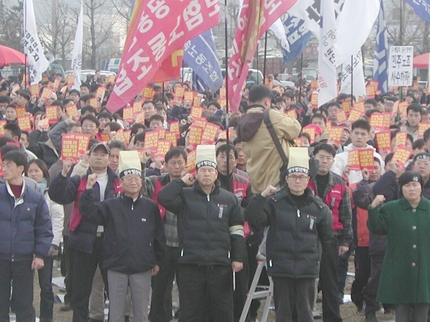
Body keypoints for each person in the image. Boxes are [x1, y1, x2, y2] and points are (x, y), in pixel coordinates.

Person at [158, 145, 247, 322]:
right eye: (202, 170)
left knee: (221, 311)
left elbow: (237, 229)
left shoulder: (229, 199)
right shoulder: (185, 196)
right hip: (191, 264)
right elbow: (163, 197)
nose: (206, 174)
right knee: (191, 311)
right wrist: (182, 181)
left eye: (210, 170)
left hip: (220, 264)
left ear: (216, 174)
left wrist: (238, 257)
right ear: (196, 173)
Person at [245, 147, 333, 322]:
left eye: (301, 177)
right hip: (281, 267)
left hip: (307, 268)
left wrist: (316, 261)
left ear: (308, 179)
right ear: (286, 178)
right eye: (293, 177)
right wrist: (261, 196)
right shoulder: (274, 202)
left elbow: (326, 237)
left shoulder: (319, 207)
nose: (297, 181)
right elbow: (254, 218)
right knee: (283, 313)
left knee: (305, 313)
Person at [80, 151, 165, 322]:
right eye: (129, 179)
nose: (133, 182)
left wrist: (157, 260)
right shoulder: (111, 205)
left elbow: (158, 234)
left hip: (142, 264)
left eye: (136, 178)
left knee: (141, 312)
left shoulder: (150, 207)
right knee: (116, 312)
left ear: (142, 182)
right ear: (120, 182)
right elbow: (89, 213)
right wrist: (88, 190)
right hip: (116, 264)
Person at [49, 142, 122, 322]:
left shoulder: (118, 181)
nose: (99, 157)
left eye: (103, 154)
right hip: (83, 242)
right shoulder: (78, 179)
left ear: (109, 158)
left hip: (110, 242)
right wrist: (64, 174)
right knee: (80, 291)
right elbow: (59, 196)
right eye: (95, 153)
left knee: (114, 290)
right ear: (88, 157)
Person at [368, 171, 430, 322]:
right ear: (401, 188)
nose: (411, 189)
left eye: (415, 185)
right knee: (401, 312)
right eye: (407, 185)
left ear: (421, 187)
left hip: (425, 269)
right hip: (400, 268)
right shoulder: (391, 208)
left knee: (422, 310)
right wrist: (373, 208)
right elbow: (377, 228)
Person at [0, 150, 53, 321]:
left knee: (24, 303)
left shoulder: (35, 198)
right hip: (1, 257)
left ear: (20, 168)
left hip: (24, 258)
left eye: (8, 165)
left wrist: (40, 254)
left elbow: (44, 228)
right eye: (3, 165)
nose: (4, 169)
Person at [308, 143, 352, 322]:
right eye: (321, 157)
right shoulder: (305, 178)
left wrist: (345, 241)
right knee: (306, 280)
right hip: (307, 236)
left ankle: (332, 317)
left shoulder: (339, 183)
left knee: (330, 281)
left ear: (333, 160)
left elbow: (346, 214)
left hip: (331, 238)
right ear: (314, 158)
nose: (324, 161)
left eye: (328, 158)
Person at [145, 148, 187, 322]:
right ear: (166, 165)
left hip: (185, 245)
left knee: (186, 288)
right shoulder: (156, 182)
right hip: (162, 245)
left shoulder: (192, 184)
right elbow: (138, 182)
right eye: (173, 163)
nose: (177, 167)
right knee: (161, 288)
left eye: (180, 163)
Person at [236, 84, 301, 193]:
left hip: (255, 180)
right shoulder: (271, 115)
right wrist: (282, 115)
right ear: (267, 102)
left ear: (249, 102)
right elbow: (295, 129)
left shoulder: (242, 120)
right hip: (275, 181)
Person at [27, 159, 64, 322]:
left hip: (46, 244)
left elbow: (57, 219)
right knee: (25, 285)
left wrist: (53, 243)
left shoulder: (51, 193)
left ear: (44, 172)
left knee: (46, 285)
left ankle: (46, 317)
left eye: (36, 171)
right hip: (25, 244)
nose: (33, 174)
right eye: (30, 171)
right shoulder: (23, 192)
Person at [332, 119, 384, 184]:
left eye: (363, 134)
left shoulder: (376, 157)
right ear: (350, 135)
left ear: (368, 137)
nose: (359, 137)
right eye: (356, 133)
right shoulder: (339, 158)